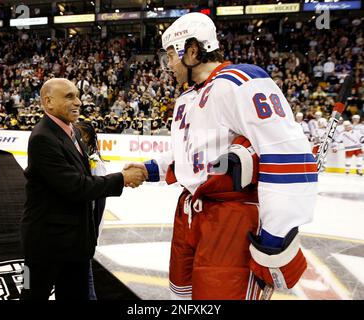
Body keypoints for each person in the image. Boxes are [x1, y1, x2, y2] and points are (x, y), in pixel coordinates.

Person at [126, 12, 317, 299]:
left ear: (192, 51)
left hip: (231, 219)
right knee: (183, 295)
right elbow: (188, 152)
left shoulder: (242, 81)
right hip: (190, 213)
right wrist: (150, 169)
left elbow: (287, 151)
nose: (168, 66)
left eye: (170, 56)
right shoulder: (185, 99)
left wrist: (277, 230)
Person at [20, 78, 147, 300]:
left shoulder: (72, 131)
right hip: (45, 246)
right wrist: (122, 178)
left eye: (77, 95)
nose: (78, 102)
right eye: (69, 96)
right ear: (48, 102)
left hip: (74, 243)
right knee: (32, 294)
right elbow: (76, 186)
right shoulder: (42, 138)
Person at [75, 121, 107, 300]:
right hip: (73, 233)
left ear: (87, 138)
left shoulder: (94, 163)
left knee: (85, 280)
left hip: (85, 233)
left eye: (79, 134)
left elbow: (99, 202)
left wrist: (93, 234)